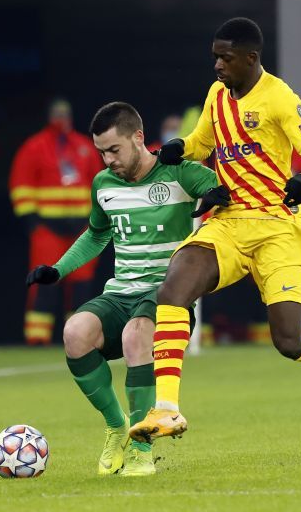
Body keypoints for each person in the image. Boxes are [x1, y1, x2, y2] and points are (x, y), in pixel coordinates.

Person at [129, 17, 301, 444]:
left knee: (288, 340)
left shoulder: (280, 98)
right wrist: (178, 149)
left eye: (226, 59)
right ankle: (168, 410)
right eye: (215, 58)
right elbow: (202, 142)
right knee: (173, 288)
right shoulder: (216, 95)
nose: (218, 67)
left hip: (278, 228)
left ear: (251, 58)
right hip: (229, 222)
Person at [26, 102, 218, 476]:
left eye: (114, 149)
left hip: (166, 295)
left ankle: (142, 448)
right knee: (75, 332)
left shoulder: (177, 171)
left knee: (135, 337)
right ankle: (117, 426)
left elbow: (221, 188)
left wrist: (215, 196)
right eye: (101, 152)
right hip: (121, 293)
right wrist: (58, 270)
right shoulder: (104, 184)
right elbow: (97, 234)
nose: (107, 159)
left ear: (138, 138)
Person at [9, 99, 104, 345]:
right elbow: (21, 186)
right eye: (57, 114)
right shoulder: (34, 147)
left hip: (81, 228)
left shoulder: (84, 146)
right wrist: (32, 221)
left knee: (81, 283)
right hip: (47, 228)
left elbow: (99, 182)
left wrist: (96, 219)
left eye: (65, 114)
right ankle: (37, 337)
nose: (61, 118)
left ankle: (78, 337)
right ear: (49, 116)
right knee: (44, 280)